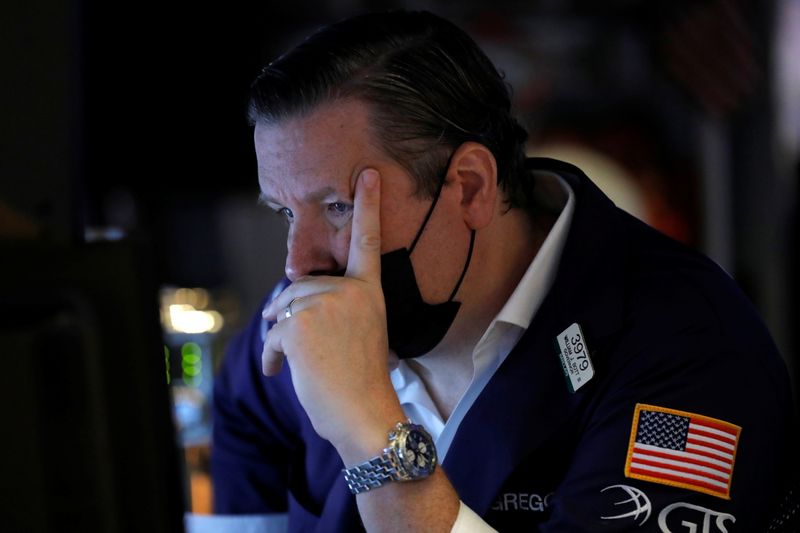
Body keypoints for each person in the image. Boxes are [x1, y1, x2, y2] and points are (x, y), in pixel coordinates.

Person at [209, 9, 796, 532]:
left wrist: (373, 440)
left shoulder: (688, 347)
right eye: (286, 211)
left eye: (339, 207)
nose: (298, 262)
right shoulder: (293, 335)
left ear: (469, 187)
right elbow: (245, 427)